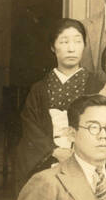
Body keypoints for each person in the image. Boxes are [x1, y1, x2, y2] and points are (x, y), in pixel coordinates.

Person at [15, 19, 98, 187]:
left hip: (85, 155)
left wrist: (78, 152)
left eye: (77, 41)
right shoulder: (39, 89)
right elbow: (31, 127)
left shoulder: (96, 85)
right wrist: (54, 150)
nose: (71, 48)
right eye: (64, 41)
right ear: (53, 47)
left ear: (84, 45)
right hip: (48, 155)